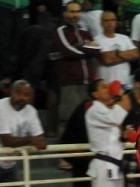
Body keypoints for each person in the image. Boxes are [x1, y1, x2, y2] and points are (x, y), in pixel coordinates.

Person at [54, 1, 109, 133]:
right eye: (72, 12)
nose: (75, 15)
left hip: (88, 83)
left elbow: (98, 51)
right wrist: (88, 48)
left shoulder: (85, 32)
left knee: (88, 120)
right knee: (68, 119)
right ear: (65, 14)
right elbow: (67, 51)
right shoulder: (61, 31)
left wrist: (80, 47)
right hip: (71, 83)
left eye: (78, 11)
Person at [95, 11, 139, 91]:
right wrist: (126, 55)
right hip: (106, 84)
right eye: (106, 20)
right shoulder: (96, 40)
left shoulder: (124, 38)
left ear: (116, 22)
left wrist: (117, 54)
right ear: (101, 23)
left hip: (124, 83)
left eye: (112, 20)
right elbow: (106, 59)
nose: (110, 23)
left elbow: (136, 54)